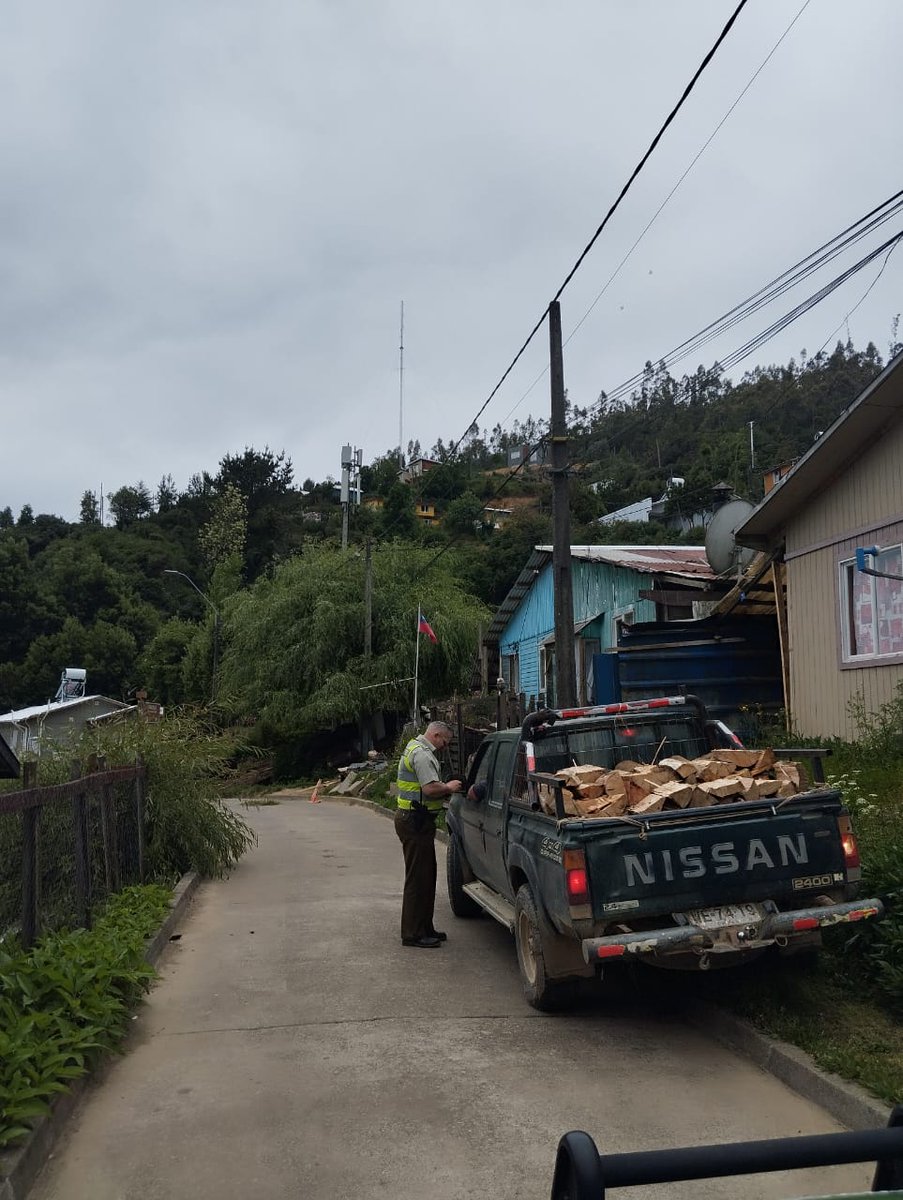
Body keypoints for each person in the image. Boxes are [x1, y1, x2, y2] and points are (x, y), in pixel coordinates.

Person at [394, 721, 462, 948]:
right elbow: (430, 789)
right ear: (435, 734)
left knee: (426, 875)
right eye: (445, 741)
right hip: (415, 821)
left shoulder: (416, 747)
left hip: (417, 821)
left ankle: (425, 927)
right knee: (418, 878)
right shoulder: (422, 755)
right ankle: (413, 933)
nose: (445, 746)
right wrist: (449, 787)